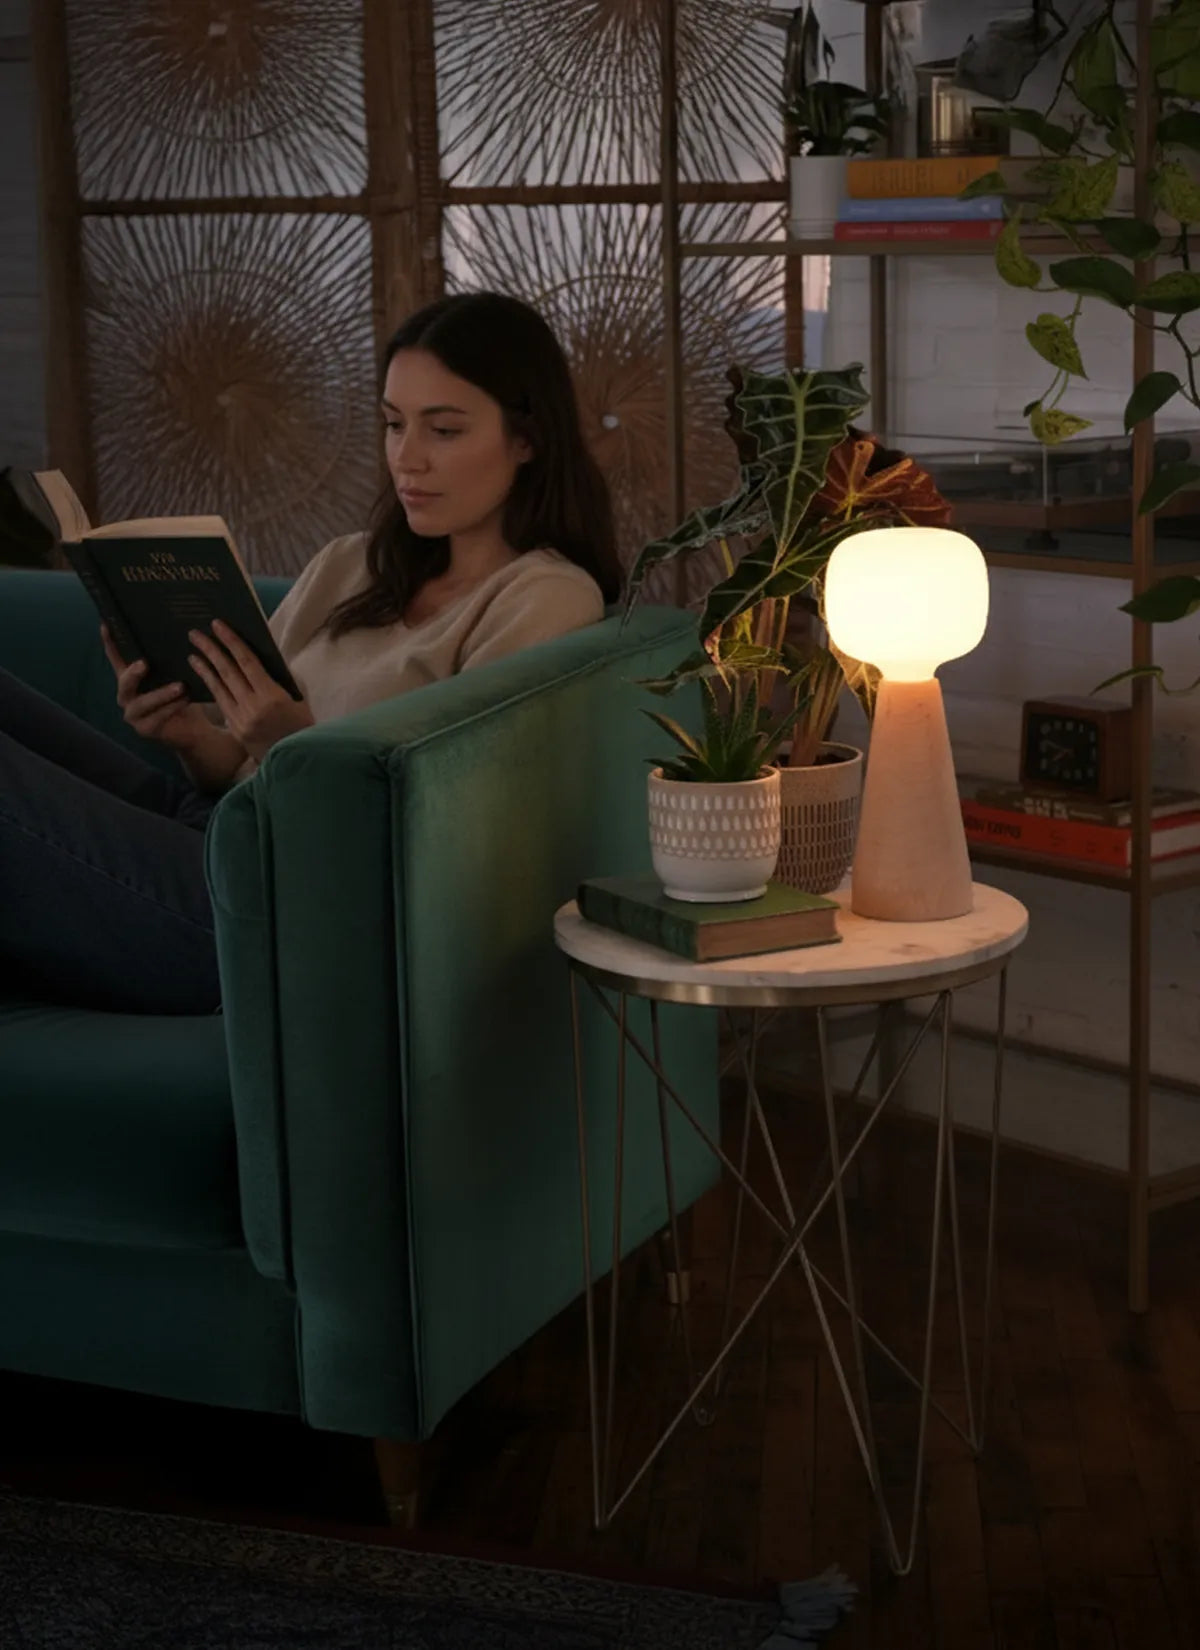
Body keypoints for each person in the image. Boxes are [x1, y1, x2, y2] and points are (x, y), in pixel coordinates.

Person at [0, 291, 620, 1016]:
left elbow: (452, 831)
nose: (407, 459)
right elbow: (243, 768)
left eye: (444, 430)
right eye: (393, 425)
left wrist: (291, 739)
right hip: (217, 829)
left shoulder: (543, 597)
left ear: (528, 438)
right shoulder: (351, 565)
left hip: (282, 903)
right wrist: (195, 738)